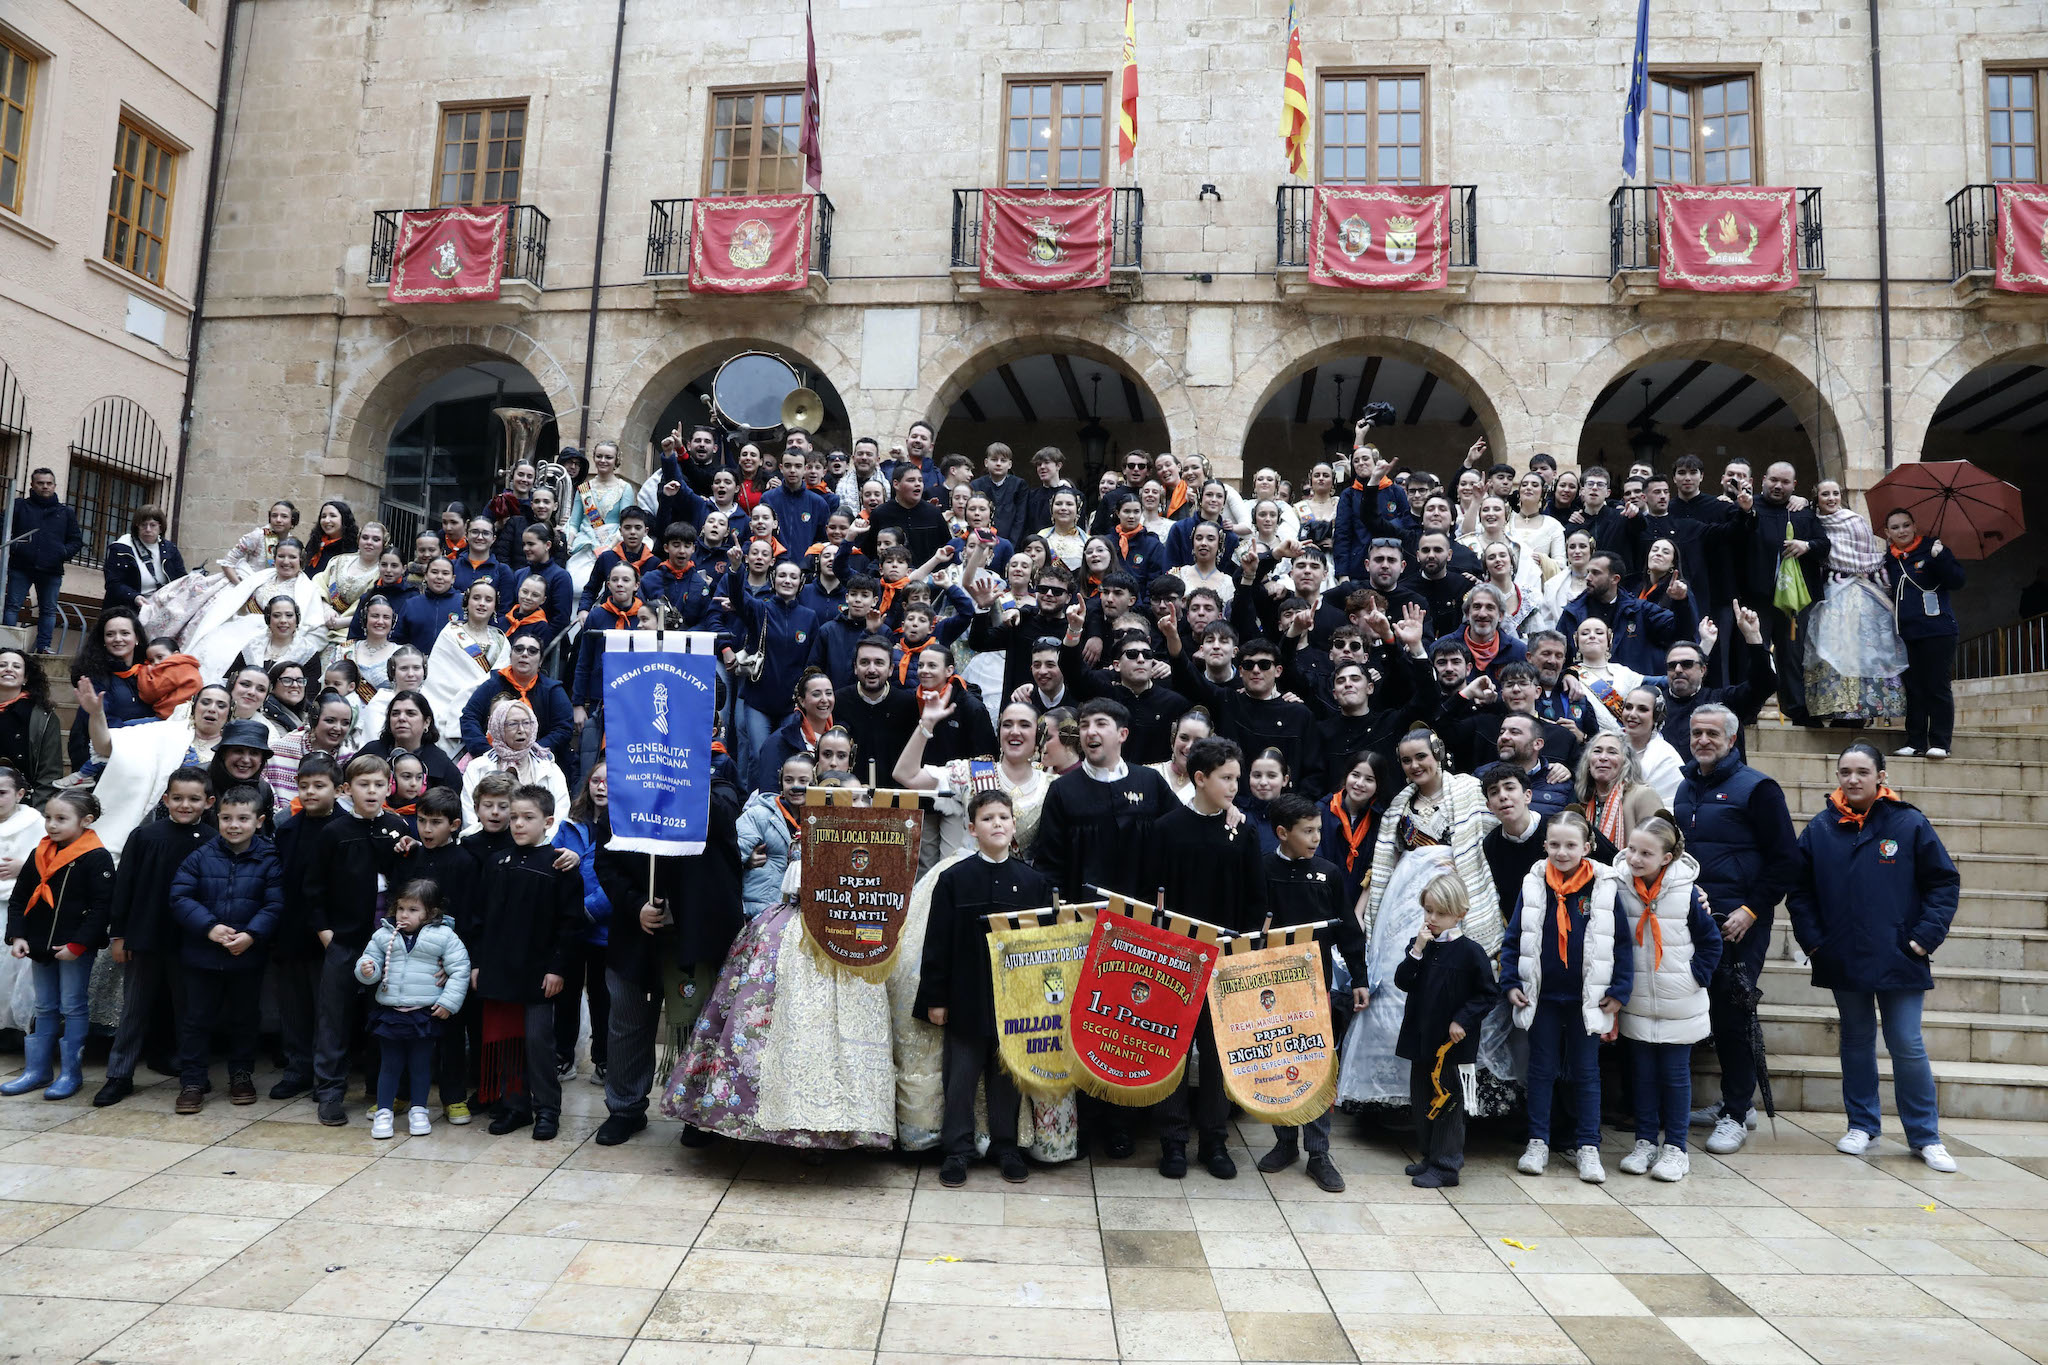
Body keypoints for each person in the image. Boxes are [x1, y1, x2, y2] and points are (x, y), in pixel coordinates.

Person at [1787, 742, 1961, 1172]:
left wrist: (1924, 938)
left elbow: (1943, 883)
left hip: (1900, 955)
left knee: (1906, 1042)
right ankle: (1862, 1124)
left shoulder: (1908, 823)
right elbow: (1800, 891)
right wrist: (1814, 942)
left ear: (1880, 775)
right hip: (1843, 955)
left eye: (1862, 771)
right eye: (1845, 771)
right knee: (1856, 1040)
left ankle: (1925, 1135)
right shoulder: (1821, 828)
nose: (1853, 779)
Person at [1138, 736, 1267, 1180]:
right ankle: (1173, 1140)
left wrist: (1245, 951)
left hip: (1224, 960)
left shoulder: (1243, 831)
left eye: (1237, 777)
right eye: (1226, 778)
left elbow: (1255, 899)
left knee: (1216, 1053)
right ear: (1200, 778)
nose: (1235, 786)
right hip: (1174, 958)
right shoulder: (1166, 829)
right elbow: (1148, 896)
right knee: (1171, 1049)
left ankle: (1214, 1140)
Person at [1674, 702, 1798, 1155]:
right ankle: (1736, 1102)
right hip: (1695, 919)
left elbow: (1787, 860)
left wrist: (1751, 909)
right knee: (1707, 1013)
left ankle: (1736, 1113)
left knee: (1733, 1012)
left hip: (1739, 922)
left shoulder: (1758, 788)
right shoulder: (1686, 787)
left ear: (1731, 739)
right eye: (1696, 733)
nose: (1703, 740)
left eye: (1712, 734)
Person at [915, 787, 1053, 1186]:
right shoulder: (954, 879)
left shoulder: (1032, 883)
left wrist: (1041, 1000)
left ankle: (1006, 1146)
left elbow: (1044, 947)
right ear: (972, 828)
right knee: (959, 1077)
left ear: (1014, 826)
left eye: (1004, 818)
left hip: (1014, 1003)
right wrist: (936, 999)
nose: (997, 824)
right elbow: (937, 942)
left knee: (1006, 1078)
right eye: (988, 819)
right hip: (964, 996)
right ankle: (956, 1150)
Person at [1501, 809, 1629, 1184]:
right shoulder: (1533, 885)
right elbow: (1514, 939)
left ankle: (1588, 1145)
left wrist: (1619, 991)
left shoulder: (1604, 887)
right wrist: (1511, 982)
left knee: (1586, 1073)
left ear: (1587, 847)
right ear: (1544, 846)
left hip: (1587, 999)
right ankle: (1537, 1140)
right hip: (1541, 997)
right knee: (1541, 1070)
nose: (1562, 852)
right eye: (1554, 844)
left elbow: (1620, 943)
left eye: (1571, 845)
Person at [1257, 791, 1369, 1193]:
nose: (1317, 837)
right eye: (1307, 831)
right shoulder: (1262, 869)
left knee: (1318, 1066)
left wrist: (1359, 977)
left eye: (1319, 829)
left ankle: (1319, 1152)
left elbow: (1348, 932)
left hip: (1315, 986)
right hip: (1269, 988)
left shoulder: (1329, 873)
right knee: (1275, 1062)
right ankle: (1284, 1142)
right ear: (1282, 833)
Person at [301, 754, 416, 1126]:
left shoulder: (398, 827)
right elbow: (313, 888)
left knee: (382, 1015)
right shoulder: (333, 832)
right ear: (347, 790)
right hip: (344, 940)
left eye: (379, 785)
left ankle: (380, 1088)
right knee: (334, 1016)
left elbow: (407, 883)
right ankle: (330, 1092)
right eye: (363, 785)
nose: (371, 791)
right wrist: (326, 935)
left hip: (388, 941)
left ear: (389, 788)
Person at [91, 766, 216, 1107]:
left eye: (193, 799)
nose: (185, 805)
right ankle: (119, 1075)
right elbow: (124, 888)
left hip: (190, 941)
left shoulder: (212, 841)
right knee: (134, 1009)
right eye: (178, 798)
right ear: (166, 799)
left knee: (189, 1010)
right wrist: (119, 935)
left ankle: (194, 1074)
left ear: (208, 802)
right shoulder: (145, 837)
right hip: (145, 937)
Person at [470, 784, 583, 1140]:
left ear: (548, 822)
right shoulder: (496, 862)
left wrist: (557, 968)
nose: (517, 824)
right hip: (499, 967)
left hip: (538, 972)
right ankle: (514, 1105)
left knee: (538, 1041)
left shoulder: (560, 865)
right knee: (506, 1040)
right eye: (513, 816)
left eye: (527, 818)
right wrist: (477, 963)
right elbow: (480, 918)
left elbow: (570, 923)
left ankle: (547, 1109)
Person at [1614, 815, 1721, 1183]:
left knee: (1675, 1077)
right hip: (1639, 1000)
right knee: (1641, 1077)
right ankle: (1645, 1141)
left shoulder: (1687, 892)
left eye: (1646, 853)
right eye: (1631, 849)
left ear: (1667, 858)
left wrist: (1695, 977)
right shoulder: (1618, 886)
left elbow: (1711, 941)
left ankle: (1676, 1148)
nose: (1635, 859)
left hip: (1680, 1001)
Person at [166, 784, 281, 1112]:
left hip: (247, 956)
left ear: (258, 821)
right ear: (216, 818)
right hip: (202, 956)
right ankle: (192, 1079)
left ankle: (241, 1075)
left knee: (244, 1019)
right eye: (227, 818)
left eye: (243, 818)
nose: (234, 825)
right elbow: (180, 896)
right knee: (196, 1019)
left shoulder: (269, 857)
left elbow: (275, 904)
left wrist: (251, 935)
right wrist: (210, 928)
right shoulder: (200, 855)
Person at [1, 791, 116, 1099]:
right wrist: (18, 935)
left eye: (61, 819)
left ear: (86, 821)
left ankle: (70, 1073)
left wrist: (78, 944)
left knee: (73, 1005)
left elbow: (102, 907)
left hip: (73, 949)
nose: (51, 825)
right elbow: (20, 898)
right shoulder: (41, 851)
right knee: (44, 1005)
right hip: (39, 945)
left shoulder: (96, 856)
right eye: (49, 817)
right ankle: (37, 1070)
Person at [1393, 872, 1499, 1188]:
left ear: (1459, 914)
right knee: (1422, 1099)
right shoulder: (1420, 946)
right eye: (1428, 910)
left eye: (1440, 913)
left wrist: (1461, 1020)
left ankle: (1447, 1165)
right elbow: (1403, 981)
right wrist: (1417, 950)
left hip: (1451, 1048)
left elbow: (1487, 994)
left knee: (1448, 1102)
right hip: (1421, 1038)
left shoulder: (1470, 952)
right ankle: (1429, 1155)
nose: (1432, 918)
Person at [355, 878, 470, 1139]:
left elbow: (460, 969)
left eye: (413, 910)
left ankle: (419, 1110)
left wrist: (448, 1003)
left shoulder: (444, 936)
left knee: (421, 1065)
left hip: (424, 1013)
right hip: (391, 1013)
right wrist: (366, 970)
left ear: (431, 913)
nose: (404, 915)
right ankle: (384, 1112)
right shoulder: (384, 934)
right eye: (401, 908)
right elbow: (369, 960)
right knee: (390, 1064)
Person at [1804, 480, 1905, 729]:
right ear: (1816, 497)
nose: (1831, 498)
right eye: (1825, 493)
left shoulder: (1854, 520)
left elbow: (1868, 556)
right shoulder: (1812, 522)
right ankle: (1834, 708)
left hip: (1860, 593)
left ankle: (1860, 710)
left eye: (1836, 493)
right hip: (1830, 594)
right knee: (1829, 649)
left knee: (1863, 651)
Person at [1736, 462, 1830, 724]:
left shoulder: (1802, 513)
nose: (1778, 486)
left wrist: (1807, 545)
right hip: (1757, 598)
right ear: (1763, 480)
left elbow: (1825, 546)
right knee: (1756, 655)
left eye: (1785, 482)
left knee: (1793, 656)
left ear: (1794, 486)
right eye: (1774, 480)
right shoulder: (1748, 506)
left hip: (1794, 601)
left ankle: (1798, 710)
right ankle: (1749, 709)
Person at [1879, 508, 1965, 759]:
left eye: (1906, 525)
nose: (1901, 531)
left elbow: (1958, 581)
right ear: (1887, 533)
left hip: (1938, 630)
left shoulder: (1933, 549)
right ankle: (1915, 740)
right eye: (1895, 527)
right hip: (1906, 633)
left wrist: (1941, 558)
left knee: (1936, 685)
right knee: (1914, 688)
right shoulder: (1889, 560)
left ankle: (1940, 741)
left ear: (1915, 526)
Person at [552, 762, 612, 1085]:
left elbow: (618, 878)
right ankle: (564, 1056)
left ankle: (603, 1058)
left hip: (603, 927)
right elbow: (556, 867)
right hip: (571, 927)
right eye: (596, 781)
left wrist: (588, 910)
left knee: (603, 996)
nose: (601, 787)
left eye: (608, 782)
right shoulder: (570, 825)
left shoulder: (625, 825)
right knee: (567, 994)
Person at [461, 697, 571, 838]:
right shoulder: (477, 767)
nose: (521, 730)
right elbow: (469, 815)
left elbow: (559, 816)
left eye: (526, 723)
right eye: (512, 724)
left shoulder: (550, 769)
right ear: (497, 726)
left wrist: (539, 844)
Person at [6, 468, 82, 653]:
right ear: (32, 485)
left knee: (48, 610)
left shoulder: (65, 512)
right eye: (40, 483)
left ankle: (43, 647)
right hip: (20, 567)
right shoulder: (19, 506)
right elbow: (3, 528)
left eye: (48, 483)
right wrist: (15, 547)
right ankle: (7, 647)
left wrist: (62, 553)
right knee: (12, 606)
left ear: (54, 486)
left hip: (51, 569)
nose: (45, 486)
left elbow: (76, 540)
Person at [0, 646, 63, 808]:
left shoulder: (43, 717)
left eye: (16, 666)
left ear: (25, 678)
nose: (8, 669)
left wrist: (38, 815)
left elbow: (49, 773)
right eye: (2, 665)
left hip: (23, 805)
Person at [1576, 730, 1660, 851]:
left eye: (1612, 752)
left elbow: (1657, 849)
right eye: (1597, 751)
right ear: (1588, 763)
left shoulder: (1644, 796)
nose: (1603, 757)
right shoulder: (1583, 801)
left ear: (1626, 762)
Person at [103, 504, 186, 612]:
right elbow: (113, 583)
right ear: (137, 527)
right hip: (127, 609)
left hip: (160, 608)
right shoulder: (121, 548)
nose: (148, 529)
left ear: (160, 528)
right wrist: (134, 597)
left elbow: (181, 578)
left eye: (153, 525)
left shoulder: (170, 549)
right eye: (143, 525)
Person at [1619, 686, 1684, 806]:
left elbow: (1671, 807)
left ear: (1656, 716)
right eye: (1628, 707)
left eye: (1642, 709)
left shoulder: (1667, 758)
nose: (1632, 714)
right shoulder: (1607, 745)